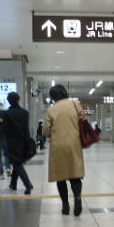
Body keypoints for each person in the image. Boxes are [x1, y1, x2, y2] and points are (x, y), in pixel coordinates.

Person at [44, 84, 85, 216]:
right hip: (74, 144)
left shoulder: (51, 110)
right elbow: (83, 121)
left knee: (60, 177)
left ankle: (65, 205)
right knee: (75, 174)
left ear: (53, 97)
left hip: (58, 146)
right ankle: (77, 198)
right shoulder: (75, 105)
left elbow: (46, 130)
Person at [1, 92, 34, 194]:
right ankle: (13, 184)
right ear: (18, 100)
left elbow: (5, 129)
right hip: (24, 142)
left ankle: (28, 184)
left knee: (17, 163)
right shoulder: (25, 113)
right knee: (17, 162)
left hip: (12, 142)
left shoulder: (6, 114)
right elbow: (26, 129)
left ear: (8, 101)